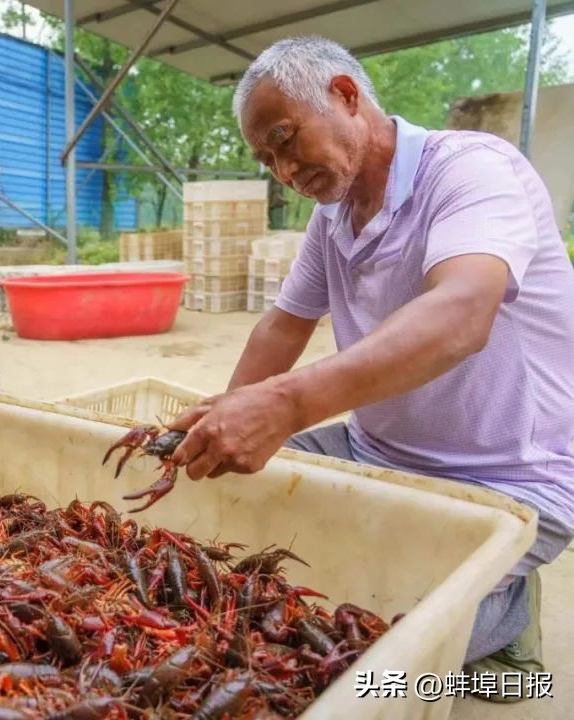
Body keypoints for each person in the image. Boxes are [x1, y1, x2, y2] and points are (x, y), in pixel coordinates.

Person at [166, 36, 574, 697]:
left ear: (347, 95)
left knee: (362, 662)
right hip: (375, 450)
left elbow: (464, 313)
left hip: (510, 481)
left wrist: (288, 405)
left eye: (286, 139)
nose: (284, 171)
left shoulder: (472, 170)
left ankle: (505, 617)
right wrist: (229, 413)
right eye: (268, 159)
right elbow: (285, 323)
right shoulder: (333, 219)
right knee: (244, 546)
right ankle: (462, 585)